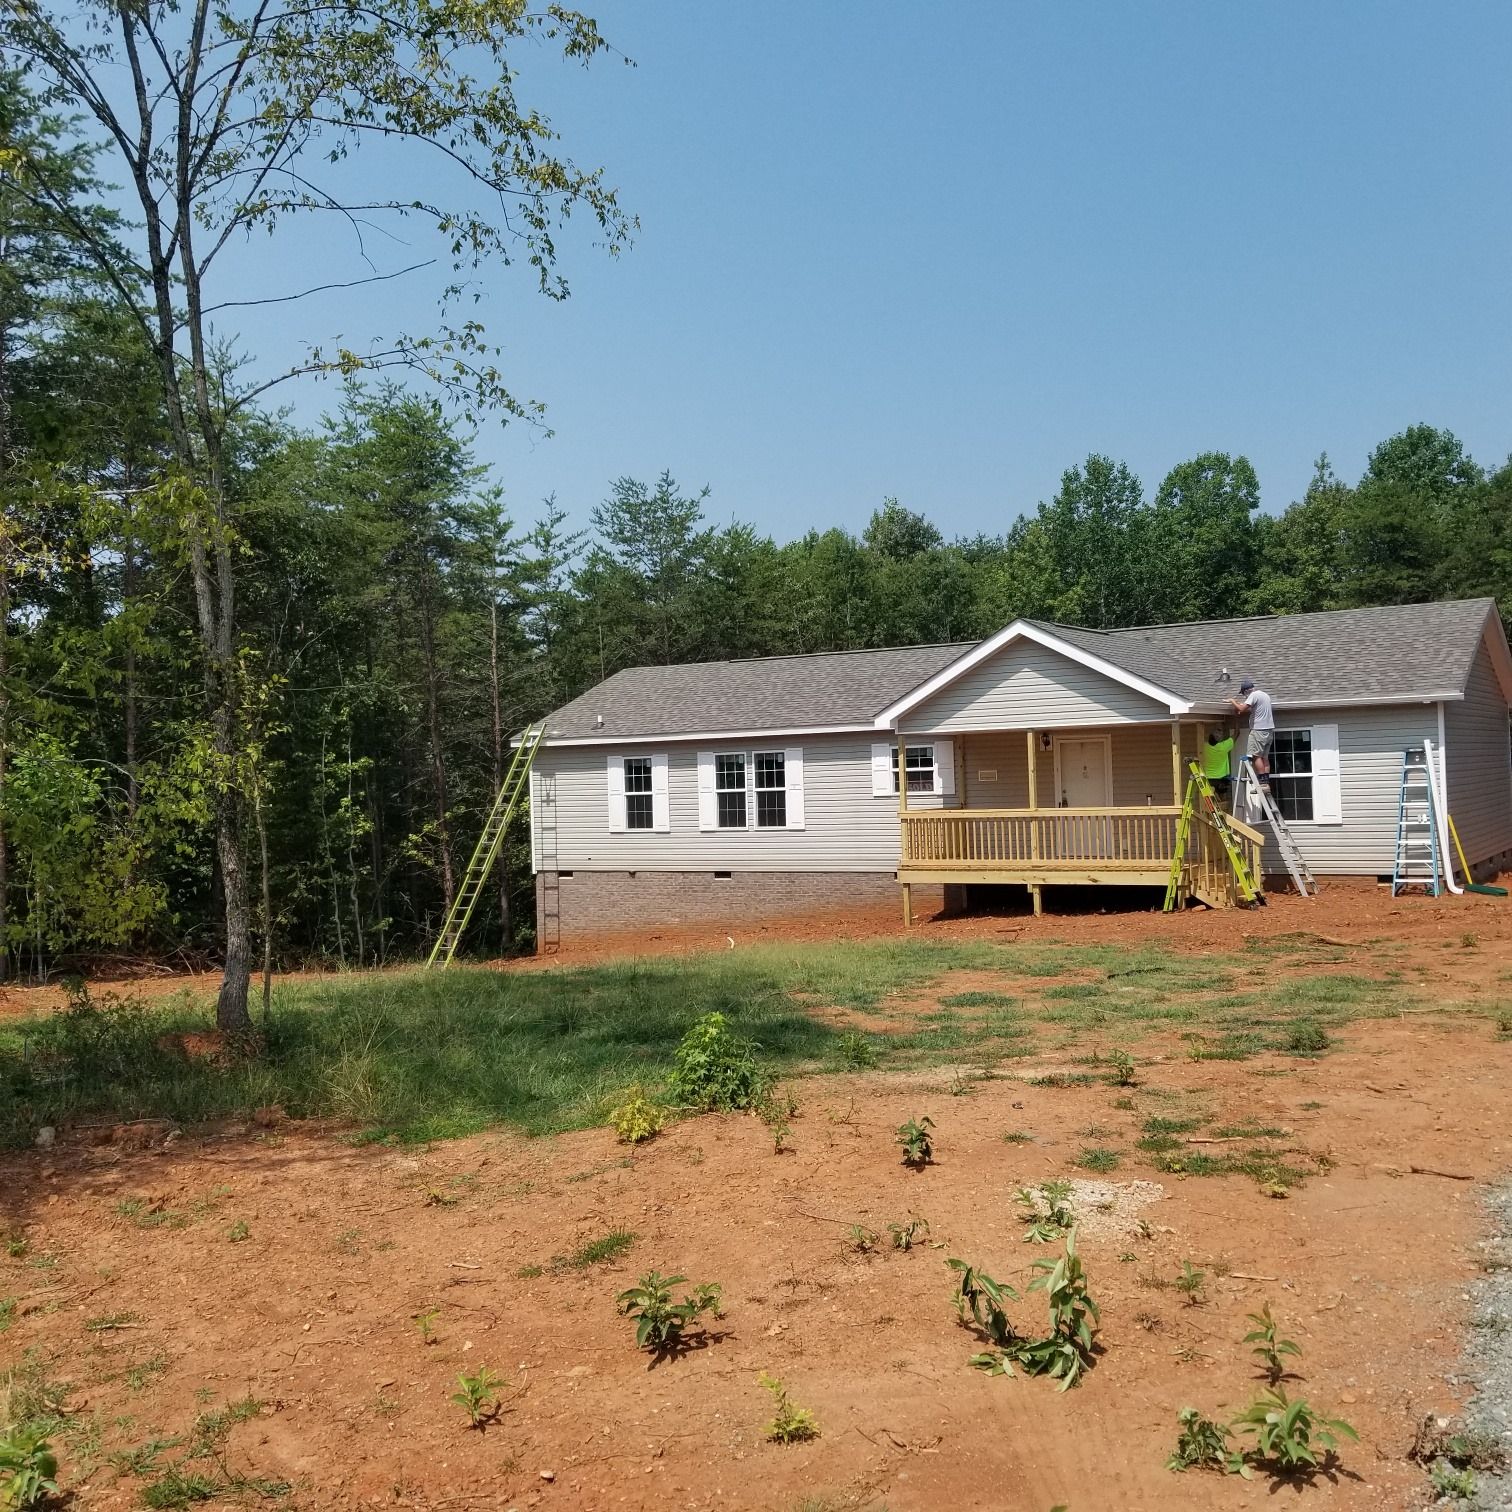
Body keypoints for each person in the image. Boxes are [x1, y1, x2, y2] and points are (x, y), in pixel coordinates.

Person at [1229, 678, 1275, 779]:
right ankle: (1266, 780)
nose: (1245, 696)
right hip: (1269, 730)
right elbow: (1251, 708)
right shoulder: (1265, 695)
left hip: (1258, 730)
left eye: (1244, 694)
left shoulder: (1253, 695)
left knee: (1256, 756)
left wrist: (1233, 702)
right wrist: (1240, 705)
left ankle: (1262, 779)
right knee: (1265, 757)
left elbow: (1241, 708)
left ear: (1246, 691)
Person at [1201, 728, 1235, 802]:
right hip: (1222, 779)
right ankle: (1219, 798)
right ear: (1219, 740)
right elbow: (1237, 733)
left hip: (1208, 779)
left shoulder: (1204, 747)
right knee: (1222, 801)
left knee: (1211, 801)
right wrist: (1237, 719)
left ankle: (1213, 793)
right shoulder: (1223, 746)